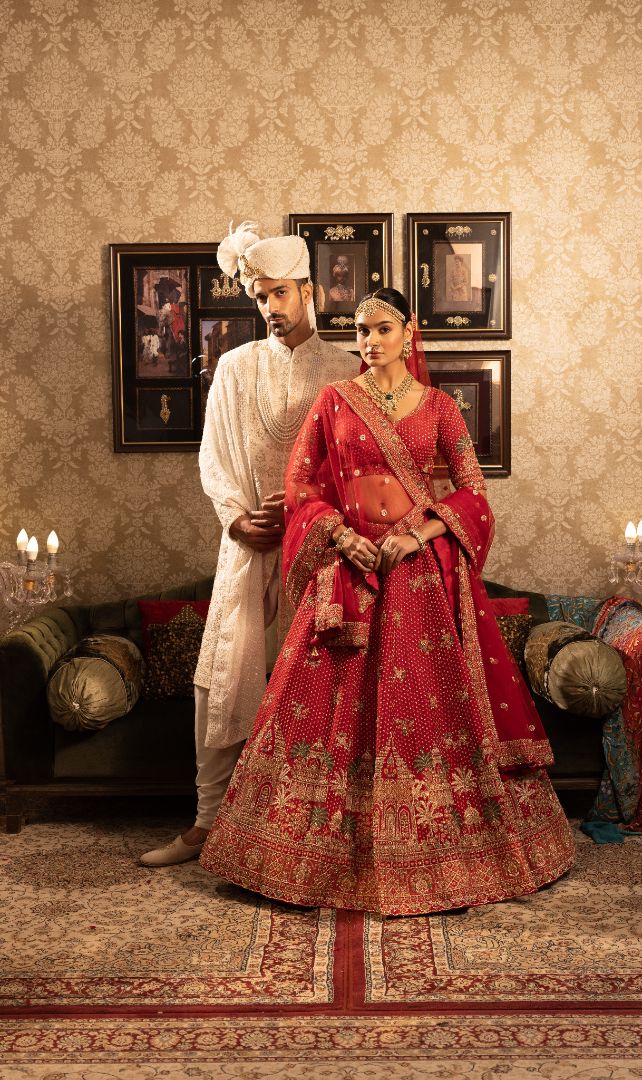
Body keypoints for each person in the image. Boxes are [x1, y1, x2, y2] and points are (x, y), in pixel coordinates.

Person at [199, 287, 575, 915]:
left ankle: (446, 853)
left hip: (417, 576)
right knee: (326, 706)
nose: (368, 341)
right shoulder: (335, 400)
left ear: (410, 332)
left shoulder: (440, 409)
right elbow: (298, 483)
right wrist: (340, 534)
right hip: (348, 569)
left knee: (421, 708)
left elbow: (473, 493)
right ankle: (303, 855)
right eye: (360, 330)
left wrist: (417, 534)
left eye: (381, 328)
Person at [140, 222, 357, 867]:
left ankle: (307, 834)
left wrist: (306, 516)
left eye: (281, 294)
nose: (270, 308)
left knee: (318, 686)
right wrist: (236, 519)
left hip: (318, 552)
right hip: (247, 546)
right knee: (225, 680)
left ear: (310, 291)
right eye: (260, 297)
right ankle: (206, 826)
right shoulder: (234, 367)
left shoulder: (347, 372)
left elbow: (358, 469)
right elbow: (212, 459)